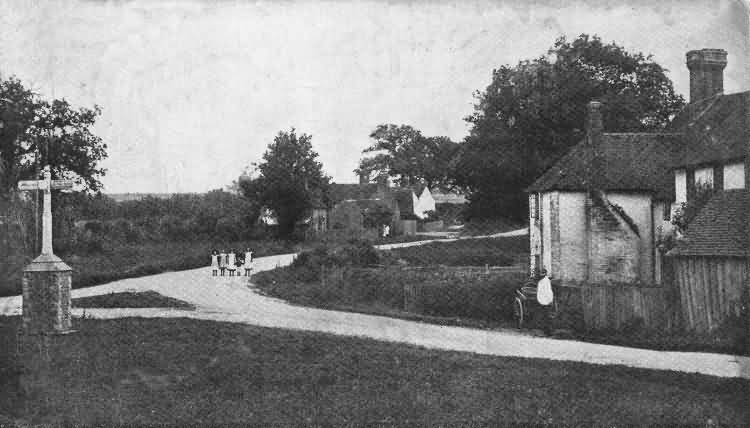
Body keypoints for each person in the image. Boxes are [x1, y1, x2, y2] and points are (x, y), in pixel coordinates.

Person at [536, 268, 554, 335]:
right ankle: (546, 331)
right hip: (543, 300)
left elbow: (548, 292)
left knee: (546, 316)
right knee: (545, 316)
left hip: (545, 301)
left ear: (545, 274)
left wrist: (550, 300)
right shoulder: (542, 281)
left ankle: (548, 332)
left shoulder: (545, 281)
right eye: (541, 273)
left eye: (543, 273)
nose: (541, 275)